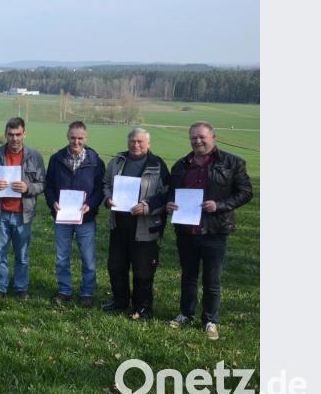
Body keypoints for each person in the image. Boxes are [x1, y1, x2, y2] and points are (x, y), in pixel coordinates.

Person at [166, 121, 252, 340]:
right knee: (188, 277)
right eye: (193, 137)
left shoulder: (232, 163)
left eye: (202, 137)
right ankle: (186, 313)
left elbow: (245, 192)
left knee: (212, 279)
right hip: (186, 230)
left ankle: (211, 320)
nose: (197, 141)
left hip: (215, 230)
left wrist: (220, 205)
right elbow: (171, 193)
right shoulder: (181, 165)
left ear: (214, 137)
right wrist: (169, 204)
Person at [101, 128, 170, 320]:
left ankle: (143, 307)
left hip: (145, 226)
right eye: (132, 141)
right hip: (119, 224)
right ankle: (120, 301)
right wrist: (107, 199)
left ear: (148, 143)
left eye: (140, 141)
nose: (135, 145)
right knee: (116, 266)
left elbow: (167, 194)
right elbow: (105, 183)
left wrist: (147, 206)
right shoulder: (117, 161)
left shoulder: (158, 165)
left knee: (143, 270)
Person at [0, 117, 45, 300]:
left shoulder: (35, 157)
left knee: (22, 254)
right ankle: (0, 287)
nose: (15, 139)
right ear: (6, 134)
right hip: (0, 212)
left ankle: (21, 288)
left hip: (23, 214)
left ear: (24, 133)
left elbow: (42, 184)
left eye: (18, 134)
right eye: (11, 135)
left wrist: (28, 188)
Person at [44, 121, 105, 308]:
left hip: (85, 218)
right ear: (67, 137)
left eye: (80, 138)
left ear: (85, 138)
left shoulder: (95, 162)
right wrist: (52, 201)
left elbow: (100, 189)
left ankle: (87, 292)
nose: (76, 142)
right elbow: (49, 186)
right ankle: (65, 290)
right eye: (73, 138)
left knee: (88, 258)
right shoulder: (56, 159)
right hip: (62, 218)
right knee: (62, 257)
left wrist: (91, 205)